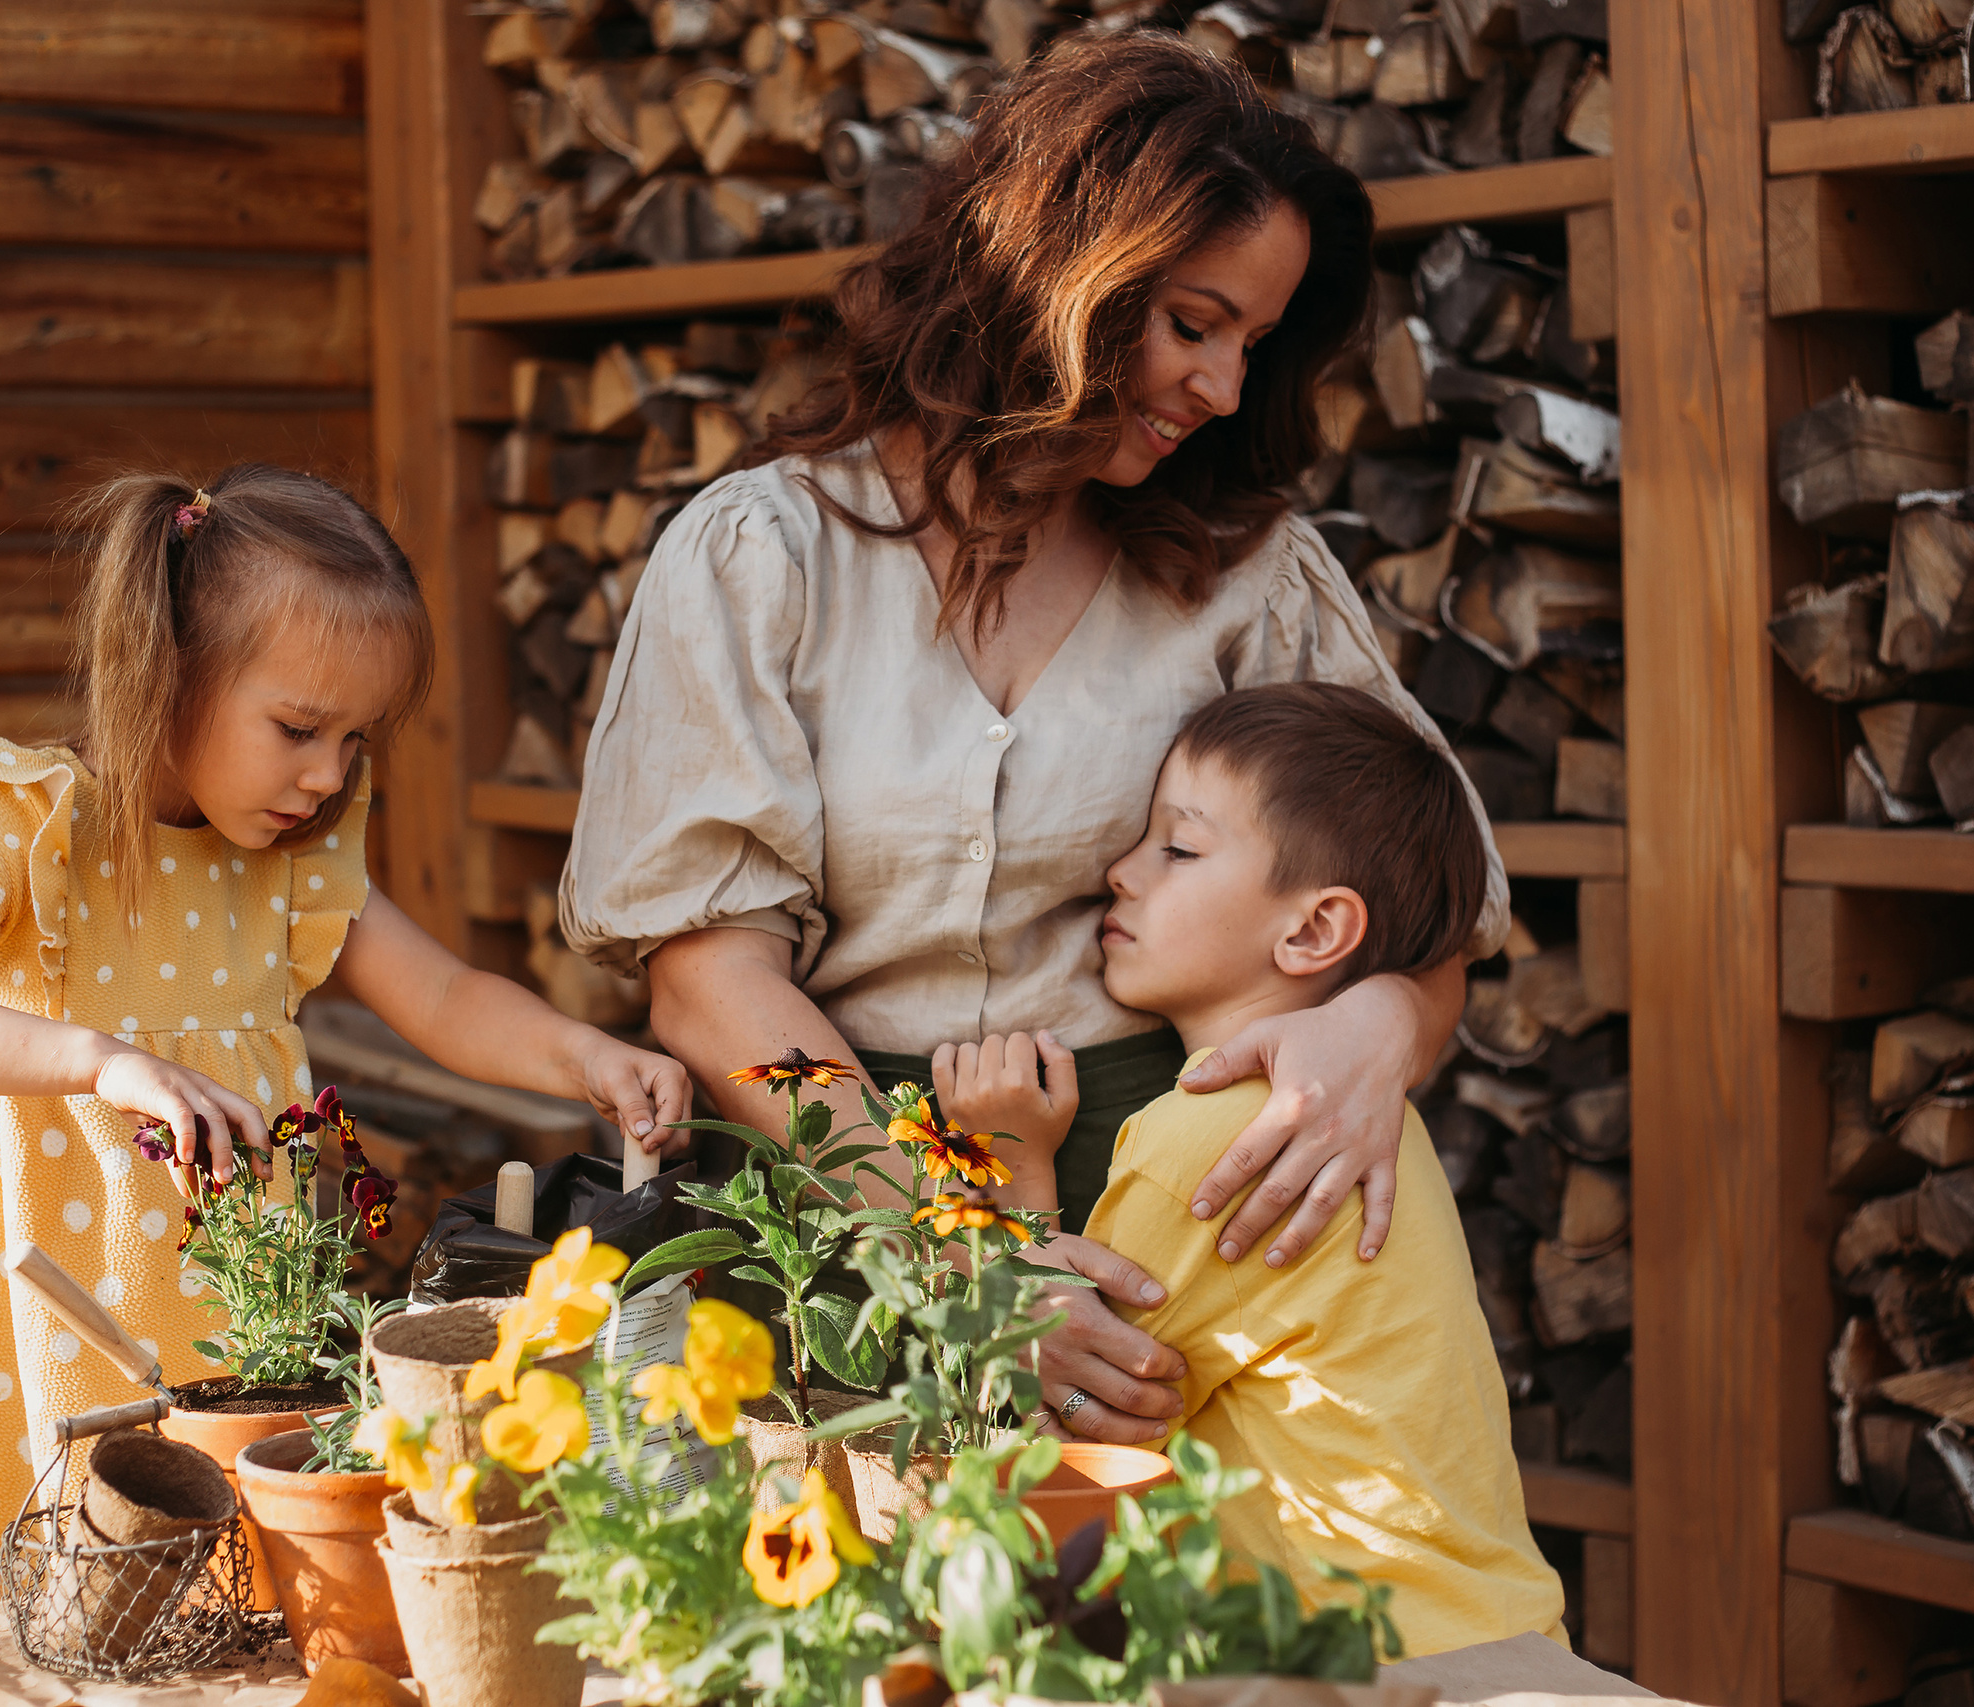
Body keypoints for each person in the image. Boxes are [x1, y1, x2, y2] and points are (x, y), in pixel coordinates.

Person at [558, 31, 1510, 1444]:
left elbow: (1435, 898)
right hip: (825, 1206)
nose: (1225, 389)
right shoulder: (763, 555)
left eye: (1253, 343)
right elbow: (708, 986)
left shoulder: (1251, 576)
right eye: (1193, 323)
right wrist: (962, 1246)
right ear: (1061, 270)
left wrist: (1380, 1022)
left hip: (1163, 1241)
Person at [0, 465, 691, 1626]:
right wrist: (97, 1060)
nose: (327, 775)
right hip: (22, 1308)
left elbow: (444, 997)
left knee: (215, 1607)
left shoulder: (287, 863)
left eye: (355, 740)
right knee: (25, 1591)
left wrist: (587, 1058)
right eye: (297, 728)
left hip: (230, 1320)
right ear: (170, 670)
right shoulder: (21, 826)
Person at [942, 682, 1566, 1651]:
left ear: (1314, 930)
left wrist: (1017, 1174)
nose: (1120, 872)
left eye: (1177, 849)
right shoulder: (1367, 1114)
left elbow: (1059, 1435)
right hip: (1482, 1622)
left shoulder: (1213, 1140)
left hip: (1359, 1663)